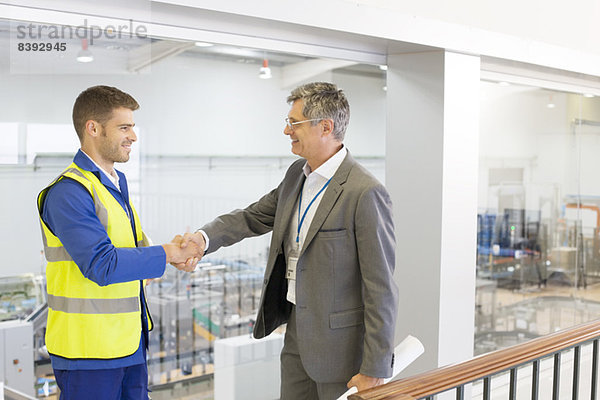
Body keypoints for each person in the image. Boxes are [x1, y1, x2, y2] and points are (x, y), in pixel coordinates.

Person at [179, 82, 398, 399]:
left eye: (294, 123)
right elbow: (253, 217)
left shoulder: (364, 192)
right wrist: (203, 238)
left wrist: (375, 368)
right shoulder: (297, 174)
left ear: (325, 127)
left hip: (342, 349)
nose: (286, 130)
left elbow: (381, 287)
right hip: (296, 333)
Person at [37, 85, 201, 400]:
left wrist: (175, 255)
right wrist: (167, 253)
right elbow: (103, 265)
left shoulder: (115, 184)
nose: (133, 136)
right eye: (124, 127)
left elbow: (138, 253)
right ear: (93, 128)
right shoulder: (68, 192)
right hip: (87, 353)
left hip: (128, 343)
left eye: (133, 127)